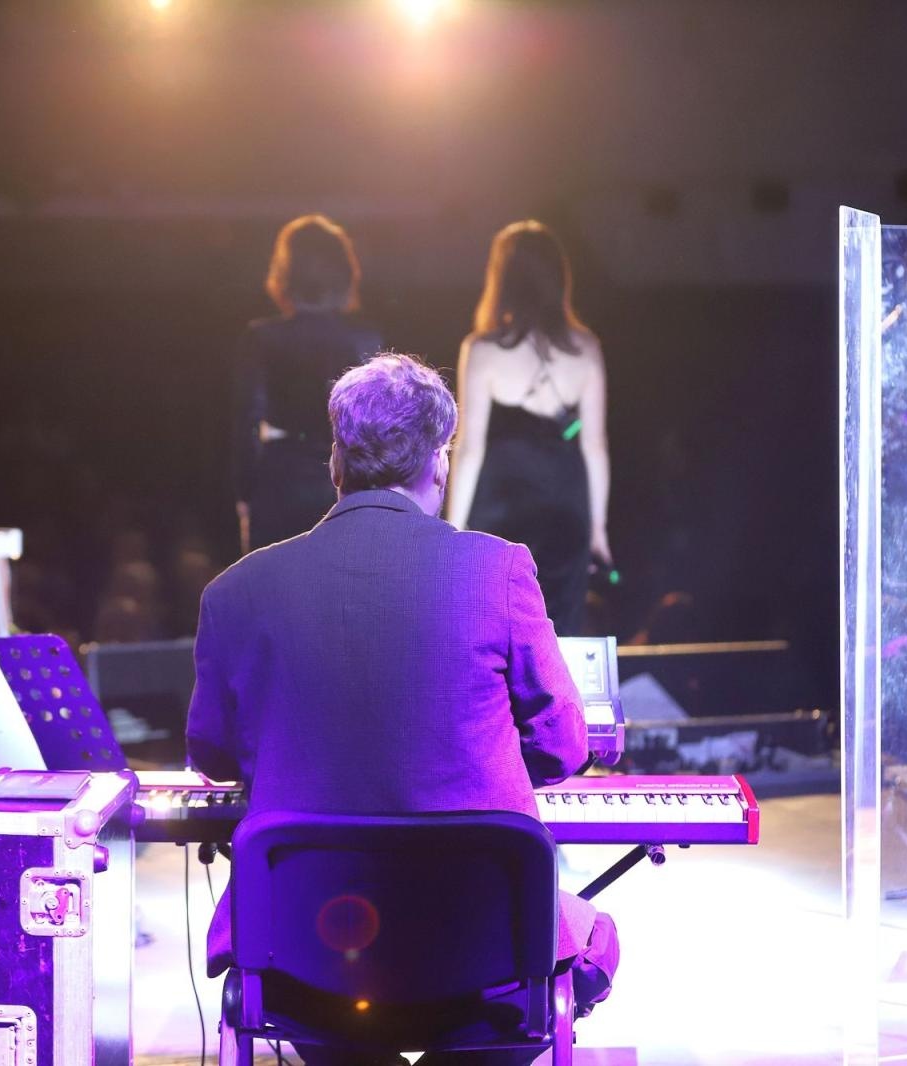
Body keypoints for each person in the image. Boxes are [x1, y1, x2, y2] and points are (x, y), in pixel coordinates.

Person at [189, 353, 619, 1066]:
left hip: (307, 954)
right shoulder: (499, 568)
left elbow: (212, 755)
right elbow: (563, 750)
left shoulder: (235, 590)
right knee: (591, 938)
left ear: (335, 462)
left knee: (317, 991)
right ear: (441, 465)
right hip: (480, 952)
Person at [446, 222, 610, 635]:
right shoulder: (586, 349)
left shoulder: (482, 351)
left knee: (494, 629)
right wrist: (597, 528)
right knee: (559, 633)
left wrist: (454, 529)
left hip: (501, 509)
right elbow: (594, 446)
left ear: (502, 278)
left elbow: (469, 448)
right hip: (565, 509)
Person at [234, 214, 382, 554]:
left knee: (275, 596)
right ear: (345, 272)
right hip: (345, 480)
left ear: (286, 274)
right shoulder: (364, 338)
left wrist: (245, 493)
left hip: (279, 476)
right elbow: (376, 428)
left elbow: (246, 423)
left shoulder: (260, 338)